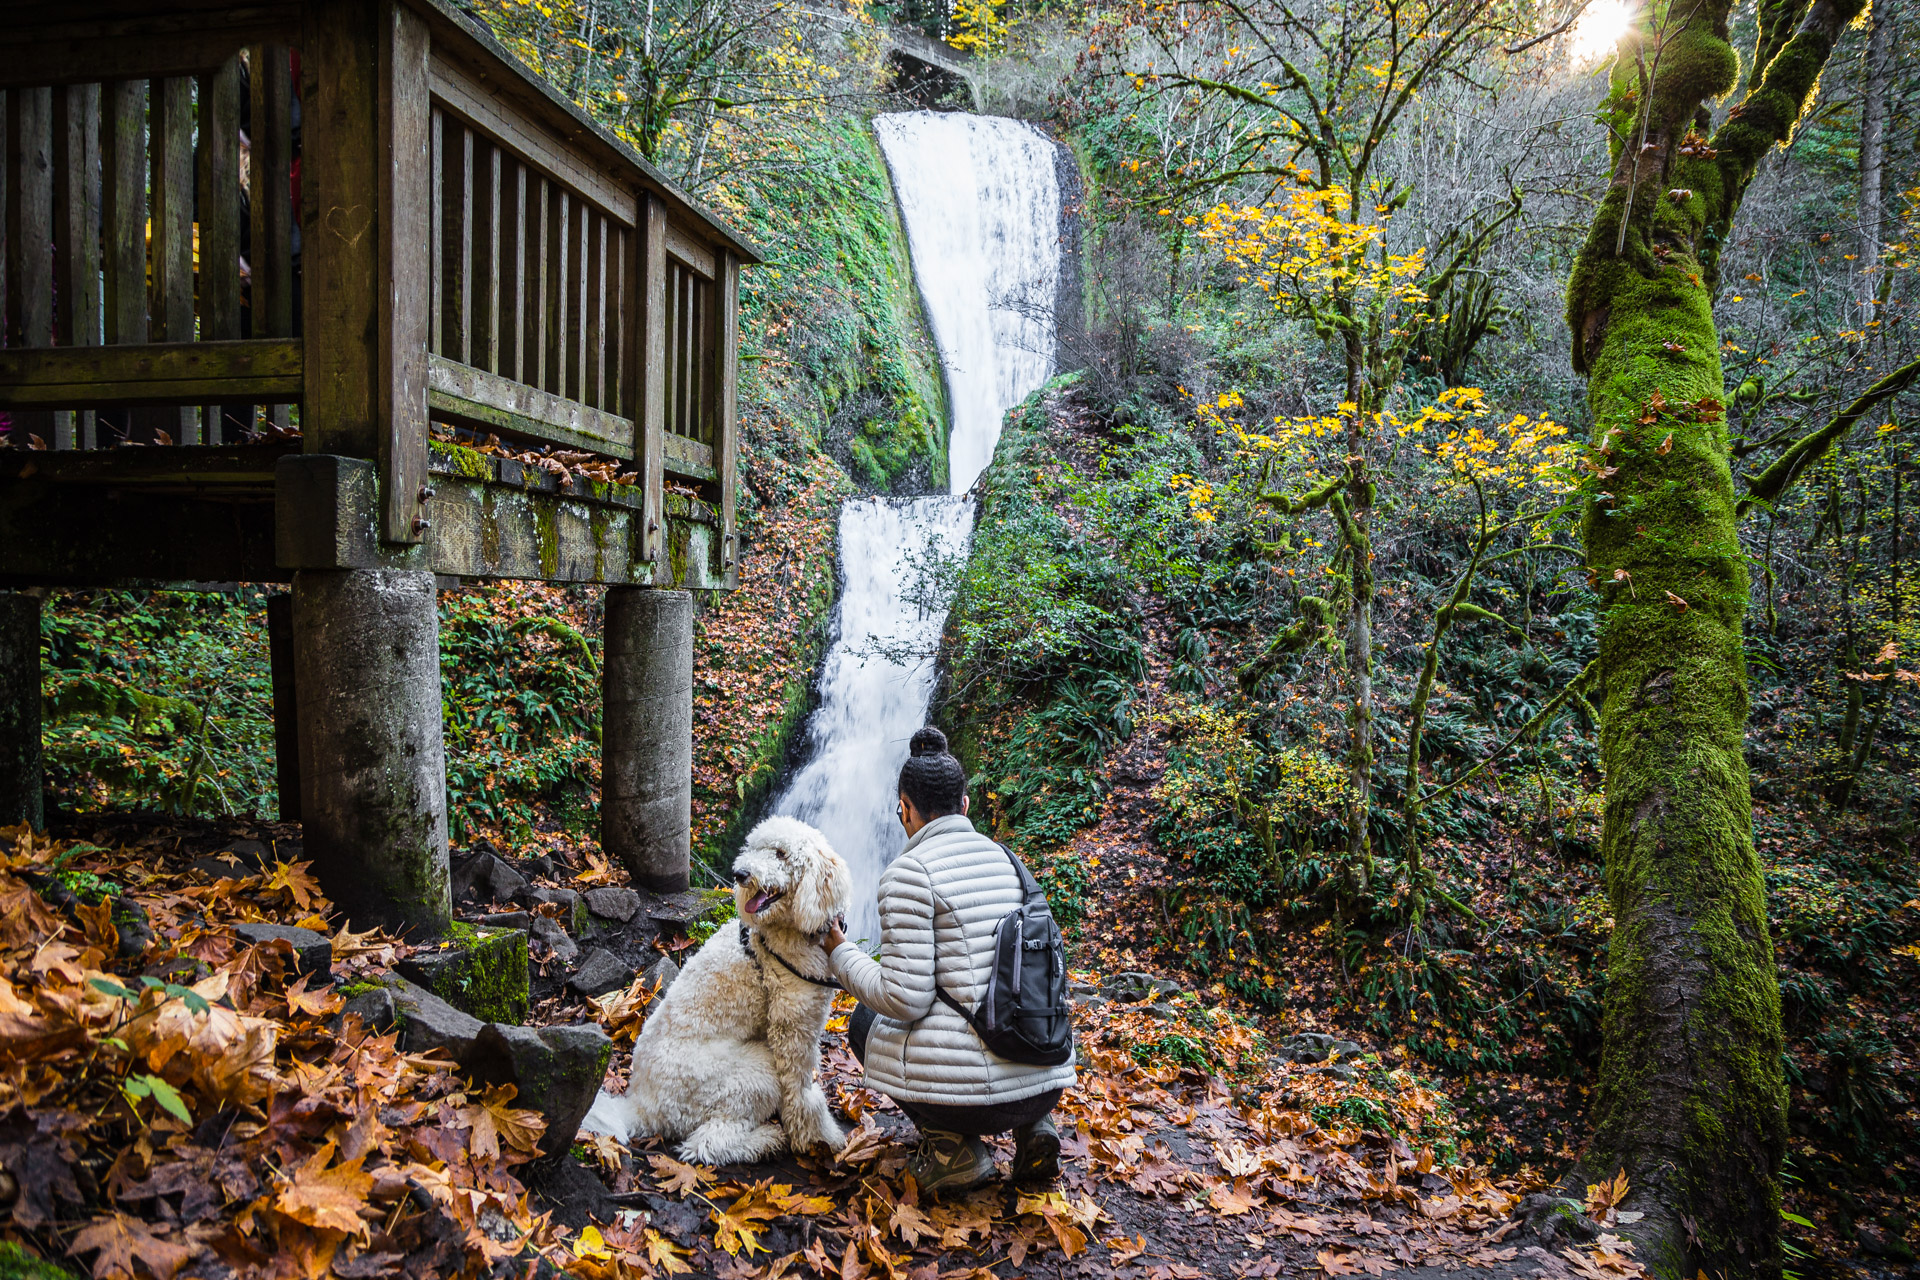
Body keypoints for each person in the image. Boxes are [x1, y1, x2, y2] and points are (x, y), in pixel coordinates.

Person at [822, 726, 1076, 1195]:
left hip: (979, 1100)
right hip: (1047, 1075)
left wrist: (839, 950)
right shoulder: (1008, 860)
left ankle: (951, 1149)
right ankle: (1036, 1127)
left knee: (864, 1021)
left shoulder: (908, 873)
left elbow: (903, 998)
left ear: (905, 808)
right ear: (964, 805)